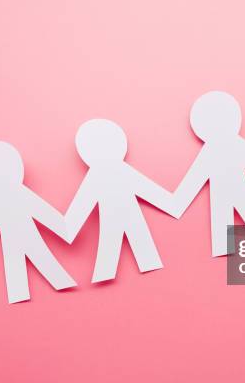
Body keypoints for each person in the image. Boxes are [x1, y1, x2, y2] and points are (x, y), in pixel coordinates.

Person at [172, 91, 245, 256]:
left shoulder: (212, 151)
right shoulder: (230, 145)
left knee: (237, 219)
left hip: (228, 194)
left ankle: (235, 244)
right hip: (234, 193)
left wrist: (171, 203)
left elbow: (186, 191)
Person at [65, 119, 178, 283]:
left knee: (227, 240)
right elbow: (165, 200)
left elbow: (75, 218)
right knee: (227, 241)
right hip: (126, 219)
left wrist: (62, 227)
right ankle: (231, 270)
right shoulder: (114, 171)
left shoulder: (99, 175)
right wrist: (178, 202)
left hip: (119, 220)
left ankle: (231, 269)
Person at [0, 141, 76, 303]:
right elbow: (46, 214)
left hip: (20, 236)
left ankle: (53, 284)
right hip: (17, 237)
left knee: (30, 261)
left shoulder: (1, 198)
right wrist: (65, 228)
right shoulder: (11, 195)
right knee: (29, 261)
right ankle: (55, 283)